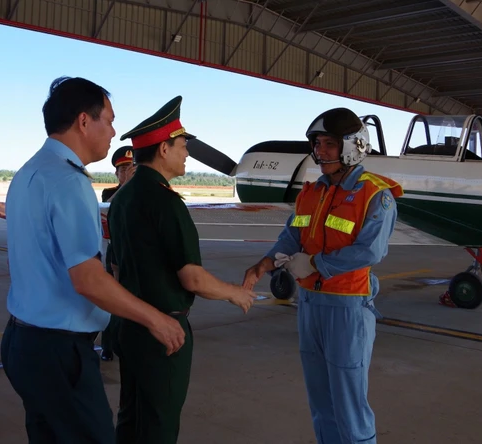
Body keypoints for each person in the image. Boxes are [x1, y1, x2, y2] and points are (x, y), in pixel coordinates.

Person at [0, 76, 186, 444]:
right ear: (85, 121)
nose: (114, 132)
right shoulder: (69, 183)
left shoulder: (29, 172)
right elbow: (87, 279)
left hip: (23, 342)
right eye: (110, 120)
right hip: (58, 352)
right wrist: (157, 319)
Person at [242, 107, 403, 444]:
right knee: (321, 402)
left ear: (353, 146)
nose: (321, 152)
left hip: (347, 307)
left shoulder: (375, 194)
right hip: (310, 305)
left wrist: (314, 264)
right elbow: (292, 237)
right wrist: (265, 264)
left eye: (329, 144)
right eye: (317, 144)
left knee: (349, 406)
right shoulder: (311, 194)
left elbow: (371, 251)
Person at [108, 95, 257, 444]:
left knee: (131, 418)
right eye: (181, 145)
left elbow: (115, 266)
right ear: (163, 149)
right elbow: (192, 277)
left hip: (129, 325)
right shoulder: (165, 202)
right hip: (163, 331)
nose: (187, 153)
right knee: (159, 425)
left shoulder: (123, 198)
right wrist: (236, 293)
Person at [100, 145, 136, 361]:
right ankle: (107, 344)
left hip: (137, 252)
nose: (126, 172)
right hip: (116, 252)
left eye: (130, 168)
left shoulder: (143, 192)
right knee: (112, 299)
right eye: (122, 169)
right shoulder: (110, 193)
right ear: (116, 173)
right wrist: (127, 186)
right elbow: (109, 209)